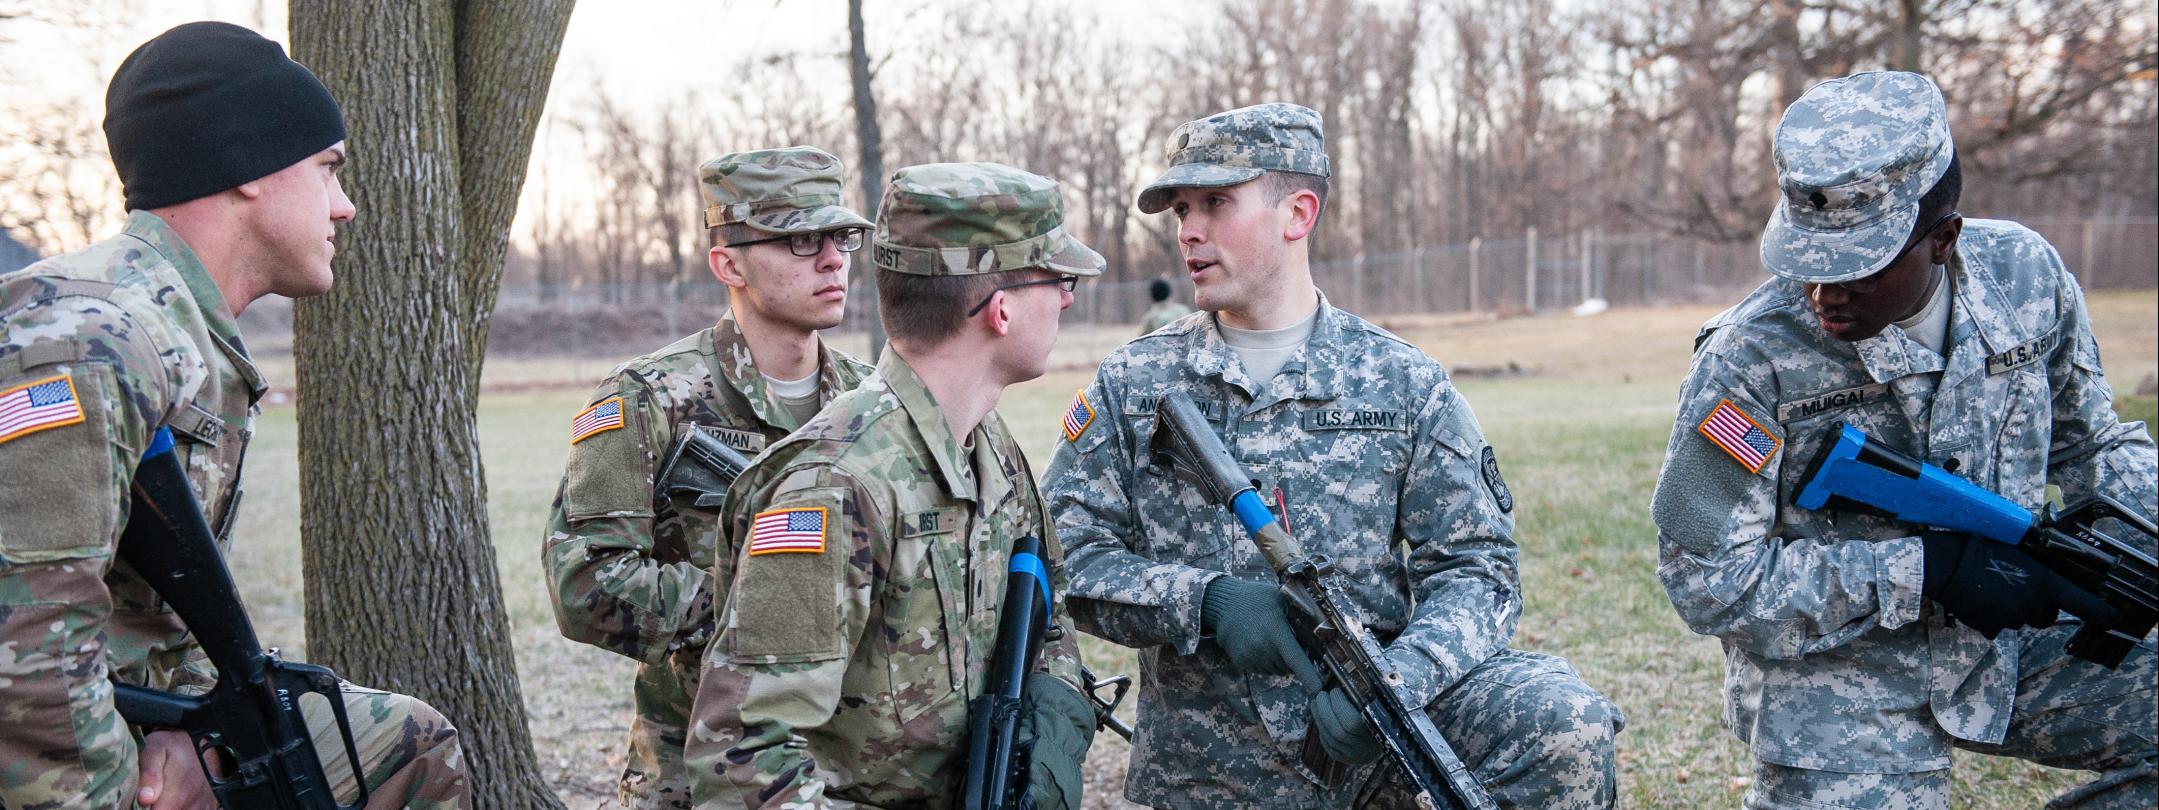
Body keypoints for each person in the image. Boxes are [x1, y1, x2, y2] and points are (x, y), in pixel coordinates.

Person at [1043, 102, 1621, 809]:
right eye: (1181, 209)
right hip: (1211, 768)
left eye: (1216, 203)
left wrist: (1395, 682)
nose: (1189, 230)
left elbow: (1478, 570)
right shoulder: (1133, 383)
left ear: (1297, 213)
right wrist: (1206, 602)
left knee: (1561, 718)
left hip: (1372, 757)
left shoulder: (1402, 382)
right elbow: (1065, 553)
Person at [1651, 71, 2157, 809]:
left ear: (1943, 238)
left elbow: (2093, 450)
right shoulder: (1747, 358)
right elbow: (1706, 581)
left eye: (1859, 265)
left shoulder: (2022, 279)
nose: (1826, 292)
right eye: (1808, 259)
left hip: (2009, 645)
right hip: (1836, 678)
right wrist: (1926, 569)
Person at [0, 22, 468, 808]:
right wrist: (136, 778)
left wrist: (193, 729)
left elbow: (152, 607)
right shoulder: (89, 338)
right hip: (51, 742)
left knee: (404, 744)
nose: (345, 207)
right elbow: (25, 641)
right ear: (249, 165)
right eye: (327, 170)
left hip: (124, 706)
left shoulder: (178, 328)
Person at [684, 162, 1104, 809]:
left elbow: (1048, 615)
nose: (1069, 299)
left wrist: (1053, 719)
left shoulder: (991, 448)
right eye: (1059, 280)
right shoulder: (833, 484)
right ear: (1001, 310)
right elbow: (740, 752)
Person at [541, 146, 876, 808]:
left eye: (838, 238)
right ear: (728, 263)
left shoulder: (871, 404)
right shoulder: (647, 398)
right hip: (694, 776)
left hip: (847, 772)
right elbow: (583, 580)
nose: (833, 259)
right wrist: (771, 605)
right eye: (801, 240)